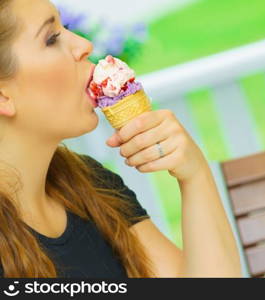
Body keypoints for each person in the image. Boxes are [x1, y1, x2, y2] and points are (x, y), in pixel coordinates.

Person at [0, 0, 242, 278]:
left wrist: (195, 174)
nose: (84, 45)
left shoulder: (88, 185)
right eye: (52, 38)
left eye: (65, 27)